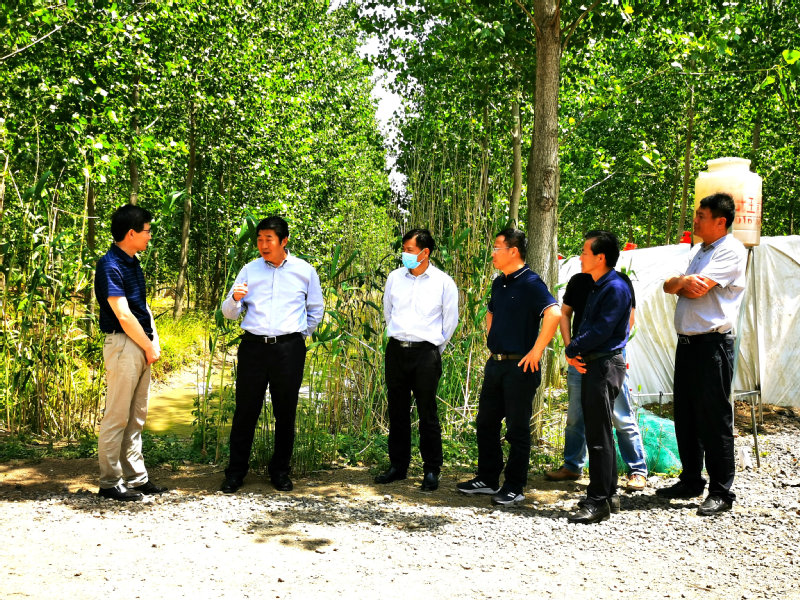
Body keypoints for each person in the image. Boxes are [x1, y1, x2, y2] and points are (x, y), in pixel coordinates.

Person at [219, 216, 324, 493]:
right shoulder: (249, 270)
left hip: (289, 350)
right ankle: (235, 473)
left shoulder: (304, 271)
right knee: (245, 411)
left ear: (284, 241)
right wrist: (235, 299)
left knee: (285, 412)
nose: (263, 245)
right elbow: (229, 314)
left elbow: (315, 309)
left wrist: (298, 337)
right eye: (259, 239)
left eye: (269, 239)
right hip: (253, 348)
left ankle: (280, 471)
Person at [456, 228, 560, 505]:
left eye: (496, 248)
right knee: (486, 423)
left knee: (517, 429)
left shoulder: (531, 282)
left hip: (520, 367)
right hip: (496, 364)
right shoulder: (499, 283)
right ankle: (488, 479)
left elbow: (554, 313)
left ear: (513, 251)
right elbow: (490, 312)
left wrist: (536, 351)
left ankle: (515, 486)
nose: (492, 253)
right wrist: (492, 338)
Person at [658, 193, 746, 516]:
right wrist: (682, 281)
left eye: (701, 216)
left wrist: (683, 284)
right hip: (688, 345)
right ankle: (691, 480)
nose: (695, 220)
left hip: (712, 345)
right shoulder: (697, 251)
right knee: (686, 415)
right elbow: (669, 285)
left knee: (714, 418)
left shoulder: (732, 250)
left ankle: (721, 491)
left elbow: (699, 289)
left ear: (720, 222)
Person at [546, 271, 648, 492]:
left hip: (608, 357)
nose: (582, 257)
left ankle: (637, 470)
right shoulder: (578, 281)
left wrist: (613, 347)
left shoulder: (619, 282)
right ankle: (572, 466)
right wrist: (570, 348)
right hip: (579, 355)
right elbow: (565, 313)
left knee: (620, 415)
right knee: (575, 416)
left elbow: (629, 318)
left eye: (586, 253)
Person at [375, 229, 459, 492]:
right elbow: (388, 312)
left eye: (410, 250)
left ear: (425, 252)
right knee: (397, 411)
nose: (405, 254)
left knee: (427, 413)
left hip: (426, 354)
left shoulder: (443, 282)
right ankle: (398, 466)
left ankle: (431, 469)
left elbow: (450, 322)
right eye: (404, 249)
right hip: (396, 350)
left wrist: (433, 349)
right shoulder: (394, 278)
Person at [95, 204, 167, 501]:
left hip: (140, 343)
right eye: (147, 231)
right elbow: (123, 314)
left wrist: (153, 341)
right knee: (117, 416)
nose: (150, 236)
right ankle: (110, 482)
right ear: (131, 233)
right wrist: (148, 346)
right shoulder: (109, 265)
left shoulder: (132, 262)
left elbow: (141, 307)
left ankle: (136, 478)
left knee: (136, 416)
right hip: (124, 344)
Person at [564, 230, 632, 524]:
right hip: (595, 363)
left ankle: (598, 500)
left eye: (584, 252)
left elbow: (601, 330)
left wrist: (572, 348)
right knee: (600, 430)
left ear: (600, 257)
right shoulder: (596, 285)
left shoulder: (615, 287)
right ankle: (609, 493)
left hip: (604, 365)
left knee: (599, 434)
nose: (581, 257)